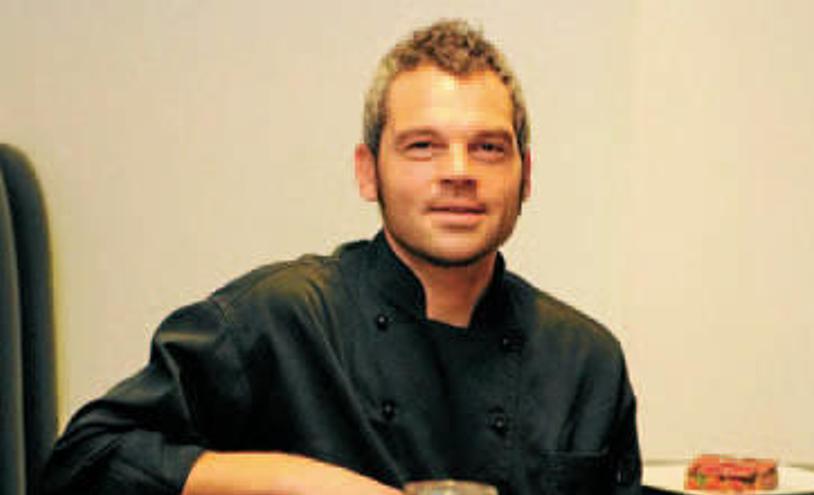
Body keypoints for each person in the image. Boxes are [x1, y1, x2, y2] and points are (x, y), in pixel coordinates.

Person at [40, 19, 641, 495]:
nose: (458, 172)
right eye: (423, 146)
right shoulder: (278, 319)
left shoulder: (586, 360)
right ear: (367, 171)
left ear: (525, 175)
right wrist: (300, 482)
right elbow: (85, 460)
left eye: (487, 148)